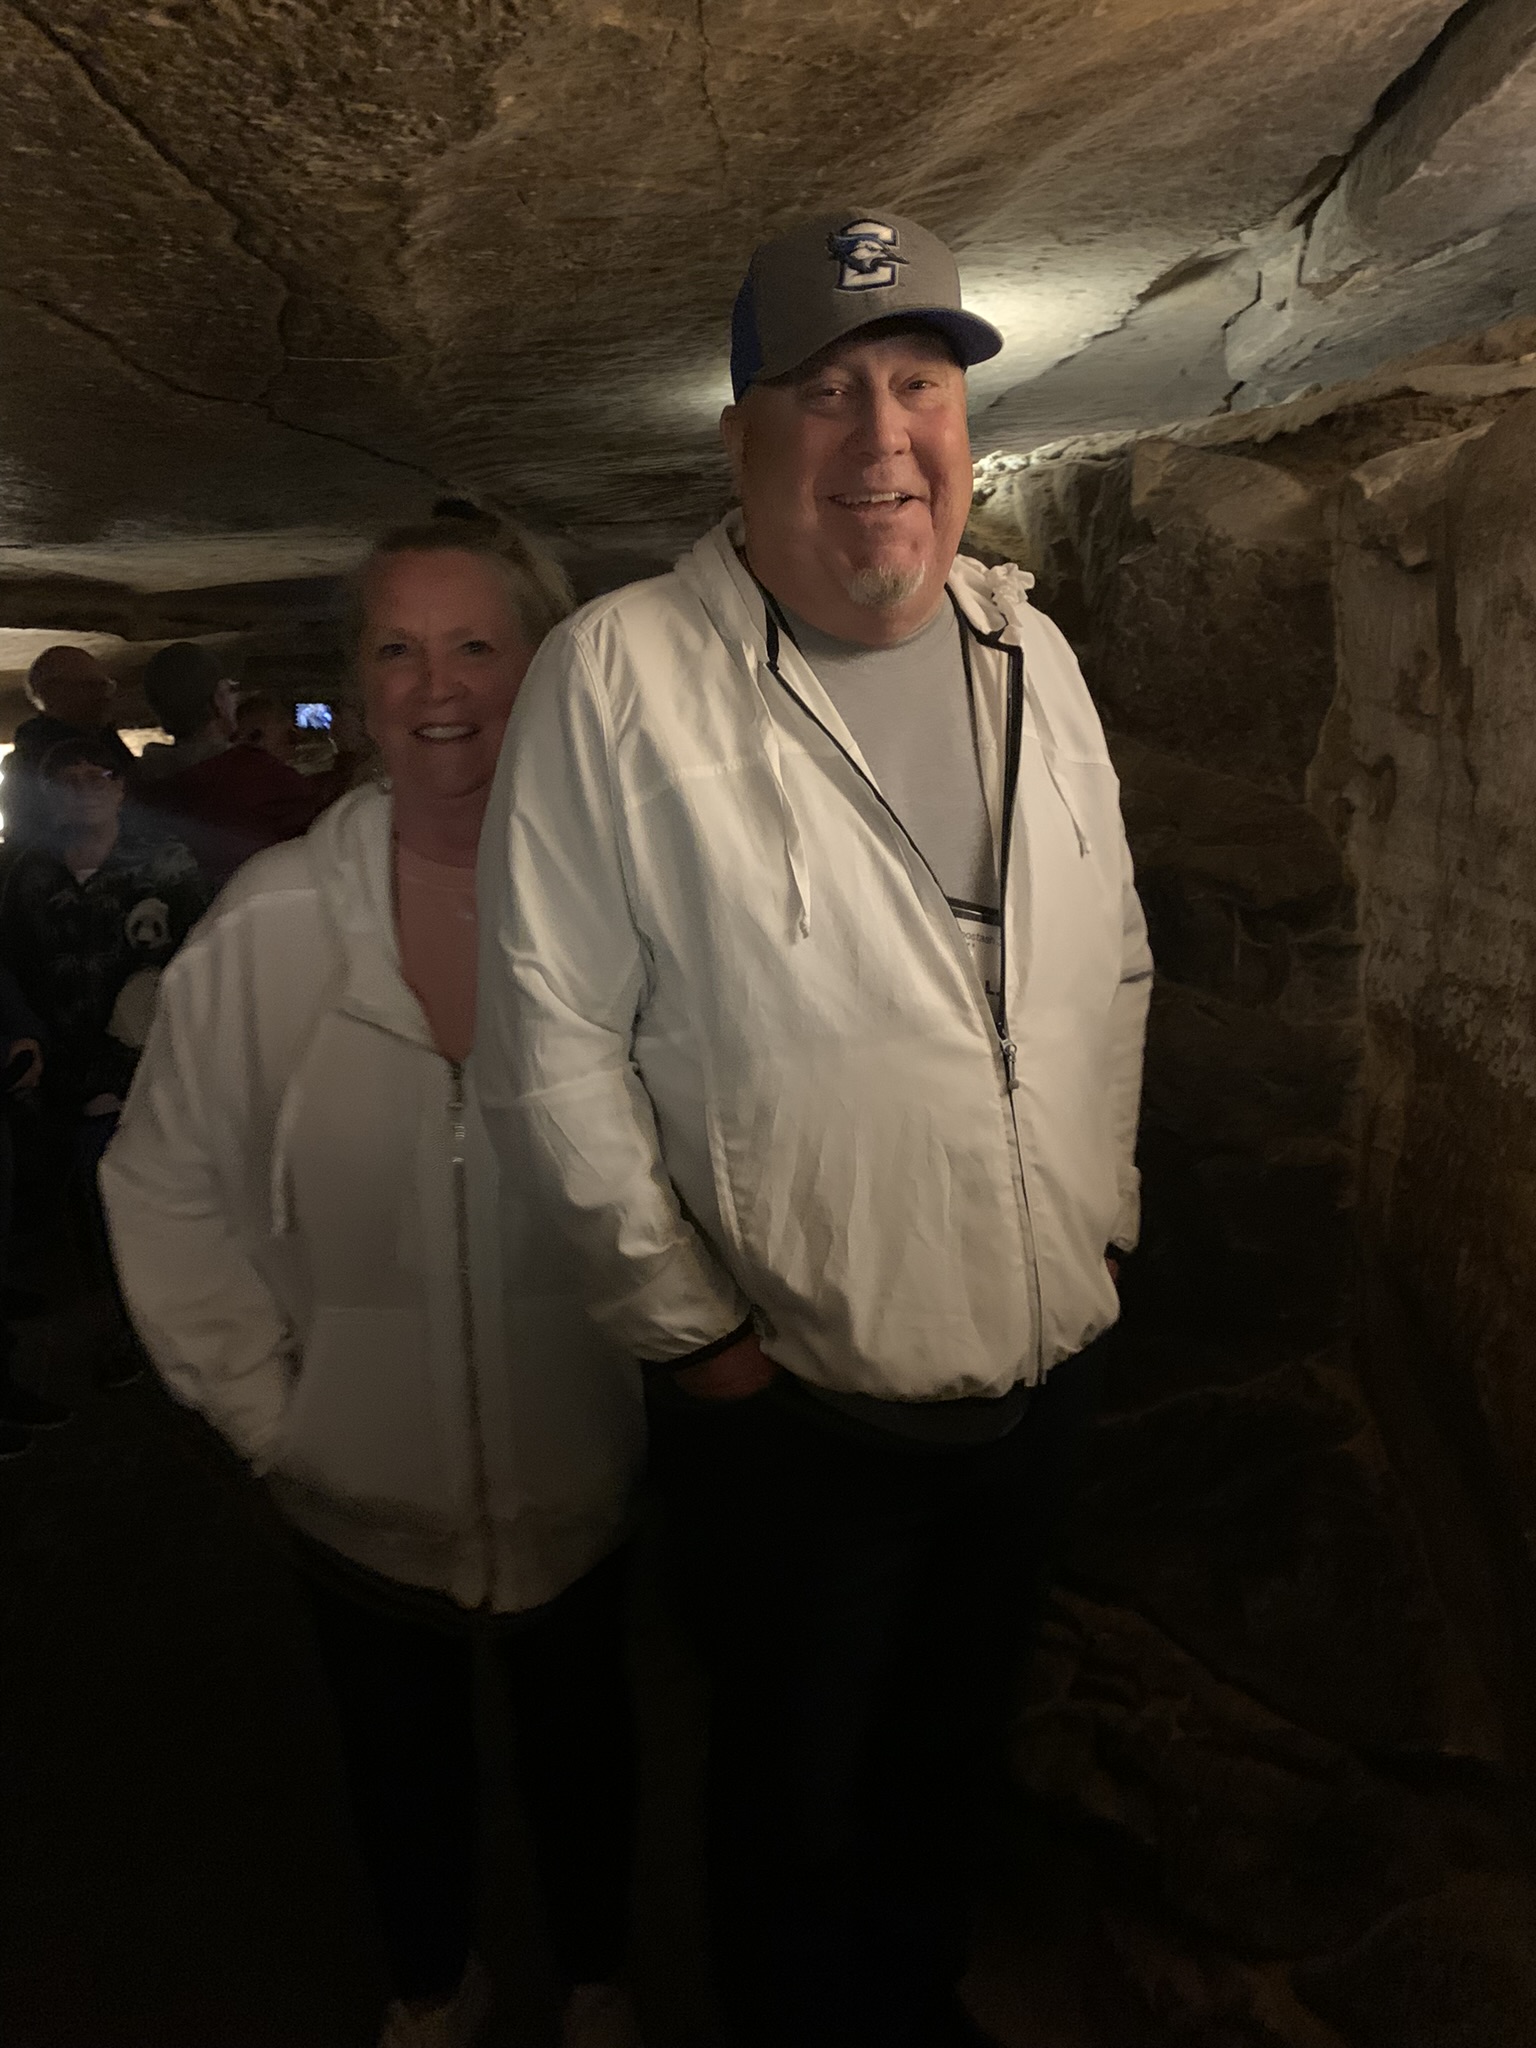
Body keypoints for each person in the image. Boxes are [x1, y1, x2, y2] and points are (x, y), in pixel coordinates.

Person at [474, 210, 1153, 2048]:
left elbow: (1114, 963)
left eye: (919, 386)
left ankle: (913, 2010)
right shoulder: (620, 676)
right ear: (740, 439)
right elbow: (548, 1043)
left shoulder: (1034, 653)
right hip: (794, 1408)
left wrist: (1102, 1214)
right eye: (827, 392)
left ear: (966, 426)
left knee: (947, 1759)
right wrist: (691, 1337)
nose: (883, 439)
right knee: (790, 1796)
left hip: (1037, 1363)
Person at [101, 510, 647, 2048]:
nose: (438, 684)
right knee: (397, 1764)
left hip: (586, 1475)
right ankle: (432, 1983)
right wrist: (276, 1413)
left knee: (590, 1750)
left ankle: (598, 1976)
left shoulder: (628, 913)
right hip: (352, 1490)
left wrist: (662, 1383)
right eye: (399, 649)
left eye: (476, 643)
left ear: (540, 670)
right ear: (360, 683)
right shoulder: (271, 925)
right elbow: (163, 1180)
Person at [133, 642, 351, 887]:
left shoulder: (140, 785)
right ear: (218, 701)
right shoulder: (255, 773)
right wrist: (349, 753)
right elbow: (334, 820)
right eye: (230, 690)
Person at [2, 646, 135, 851]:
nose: (104, 696)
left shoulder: (105, 743)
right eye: (91, 686)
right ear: (52, 692)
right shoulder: (32, 764)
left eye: (106, 686)